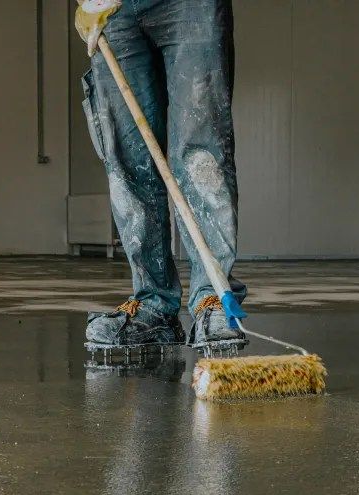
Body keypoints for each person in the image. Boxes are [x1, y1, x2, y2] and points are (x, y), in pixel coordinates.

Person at [75, 0, 247, 354]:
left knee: (202, 153)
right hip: (113, 9)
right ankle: (152, 304)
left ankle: (213, 298)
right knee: (129, 157)